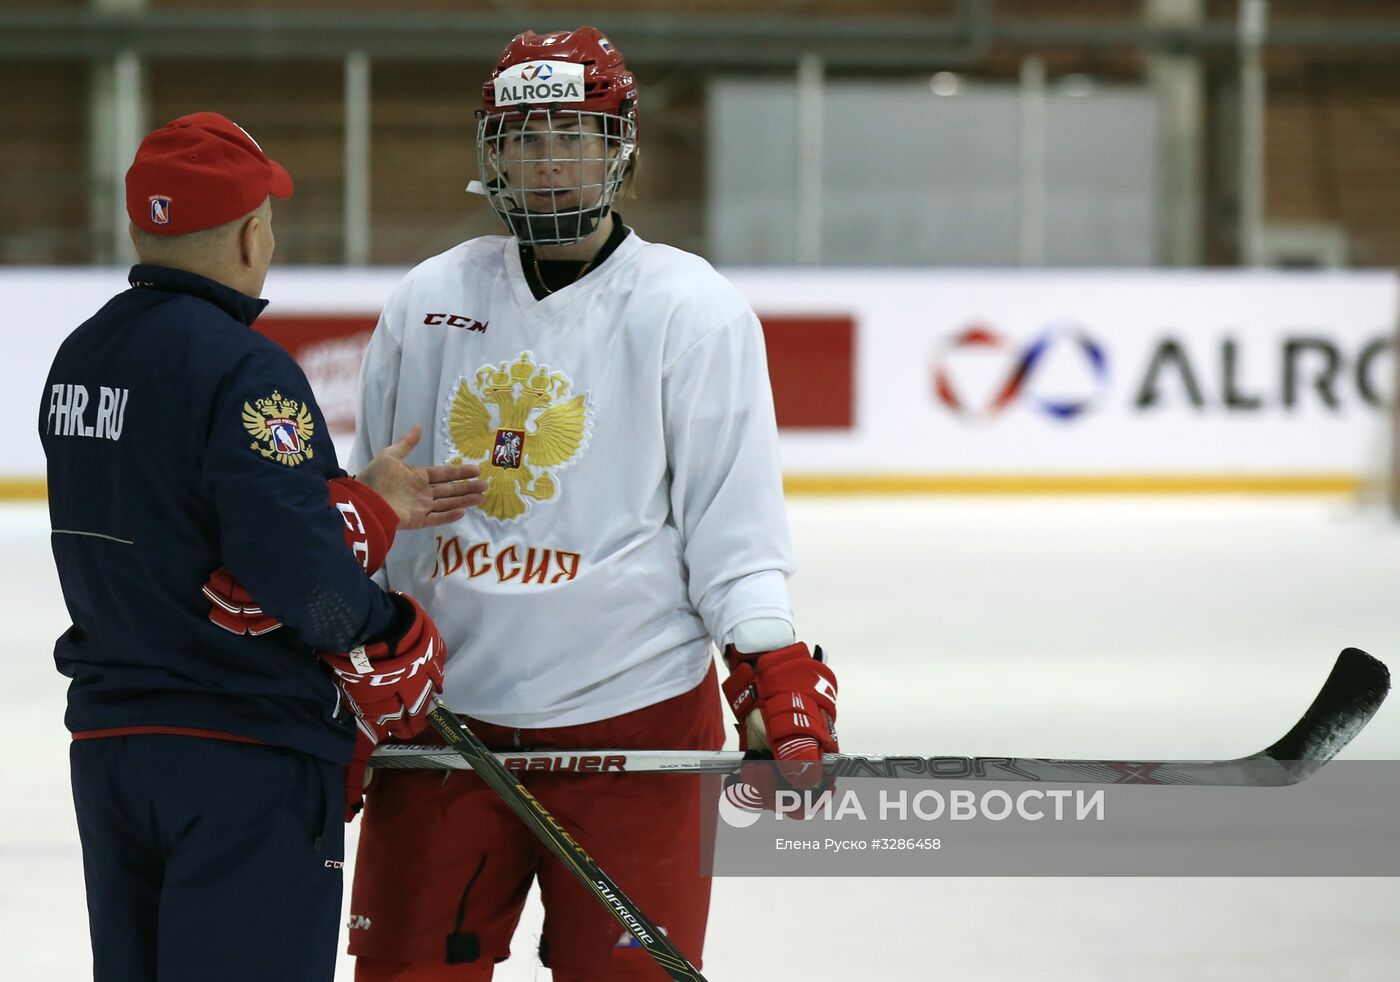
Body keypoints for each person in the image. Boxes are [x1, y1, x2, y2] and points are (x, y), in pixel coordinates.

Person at [346, 27, 840, 981]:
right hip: (445, 728)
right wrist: (349, 675)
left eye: (572, 134)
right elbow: (381, 513)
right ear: (493, 154)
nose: (548, 161)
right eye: (525, 138)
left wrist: (768, 660)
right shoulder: (428, 299)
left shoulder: (690, 310)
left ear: (620, 147)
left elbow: (731, 535)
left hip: (636, 733)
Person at [40, 111, 485, 982]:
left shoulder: (79, 357)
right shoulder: (246, 370)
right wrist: (383, 628)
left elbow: (183, 518)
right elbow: (298, 578)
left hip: (113, 750)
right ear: (252, 234)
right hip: (240, 757)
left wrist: (367, 508)